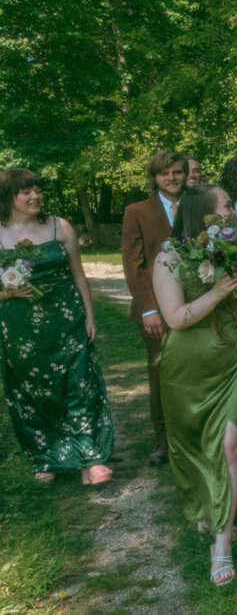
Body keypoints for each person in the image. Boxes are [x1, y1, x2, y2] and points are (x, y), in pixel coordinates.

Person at [153, 183, 237, 586]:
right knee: (194, 446)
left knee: (229, 442)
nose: (233, 209)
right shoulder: (169, 257)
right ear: (204, 213)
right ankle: (209, 509)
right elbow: (174, 318)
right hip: (187, 368)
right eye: (226, 204)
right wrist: (218, 292)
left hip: (233, 358)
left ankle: (222, 542)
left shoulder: (234, 248)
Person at [0, 168, 115, 485]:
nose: (35, 196)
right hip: (19, 327)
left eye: (38, 189)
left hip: (67, 318)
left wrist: (90, 316)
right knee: (32, 392)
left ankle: (90, 459)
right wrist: (5, 292)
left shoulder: (59, 227)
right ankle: (46, 458)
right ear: (10, 197)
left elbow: (79, 275)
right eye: (26, 191)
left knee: (78, 384)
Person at [122, 149, 185, 466]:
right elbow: (134, 266)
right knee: (161, 372)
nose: (171, 178)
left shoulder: (198, 203)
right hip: (156, 310)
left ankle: (193, 436)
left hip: (195, 304)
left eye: (177, 172)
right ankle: (163, 440)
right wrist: (148, 308)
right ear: (155, 178)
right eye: (165, 173)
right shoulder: (138, 211)